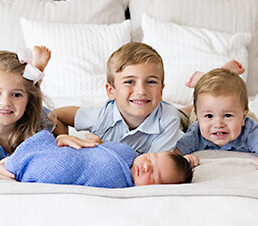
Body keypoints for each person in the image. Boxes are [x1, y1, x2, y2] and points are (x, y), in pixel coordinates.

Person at [51, 42, 183, 155]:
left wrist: (103, 149)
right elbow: (56, 115)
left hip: (179, 129)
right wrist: (64, 138)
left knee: (192, 124)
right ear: (111, 91)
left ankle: (189, 110)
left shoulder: (169, 118)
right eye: (130, 82)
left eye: (151, 82)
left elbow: (151, 165)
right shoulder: (101, 117)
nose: (141, 91)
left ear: (161, 90)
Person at [0, 47, 65, 179]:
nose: (5, 102)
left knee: (55, 116)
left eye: (16, 94)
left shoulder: (35, 121)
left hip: (40, 114)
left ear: (28, 100)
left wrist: (62, 137)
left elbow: (59, 128)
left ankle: (36, 74)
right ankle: (36, 71)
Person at [3, 130, 193, 187]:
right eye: (150, 159)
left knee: (57, 169)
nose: (145, 167)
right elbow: (103, 148)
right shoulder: (128, 153)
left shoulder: (123, 187)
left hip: (65, 172)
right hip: (69, 153)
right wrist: (99, 144)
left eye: (154, 175)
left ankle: (20, 168)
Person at [175, 68, 258, 170]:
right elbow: (175, 153)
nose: (218, 124)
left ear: (243, 118)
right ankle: (203, 83)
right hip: (196, 116)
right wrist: (184, 160)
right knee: (178, 116)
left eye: (228, 115)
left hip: (244, 116)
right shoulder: (196, 132)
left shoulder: (249, 129)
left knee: (245, 113)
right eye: (209, 116)